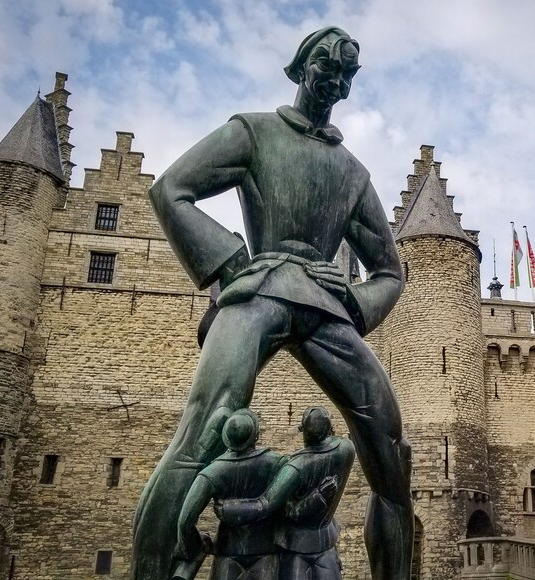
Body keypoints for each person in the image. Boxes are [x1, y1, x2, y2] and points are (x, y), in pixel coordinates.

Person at [131, 26, 413, 580]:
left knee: (391, 451)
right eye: (327, 65)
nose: (335, 79)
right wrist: (233, 264)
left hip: (327, 310)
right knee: (203, 430)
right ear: (301, 66)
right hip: (258, 291)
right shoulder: (254, 132)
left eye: (347, 72)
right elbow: (171, 190)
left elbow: (389, 271)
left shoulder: (353, 173)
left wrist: (354, 306)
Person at [216, 407, 356, 580]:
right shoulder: (347, 449)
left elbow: (265, 505)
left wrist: (230, 509)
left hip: (297, 547)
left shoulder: (296, 467)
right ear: (330, 428)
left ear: (304, 433)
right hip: (327, 540)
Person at [172, 409, 284, 580]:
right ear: (255, 434)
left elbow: (184, 522)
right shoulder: (276, 463)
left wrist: (195, 548)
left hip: (227, 553)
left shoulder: (212, 472)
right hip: (266, 552)